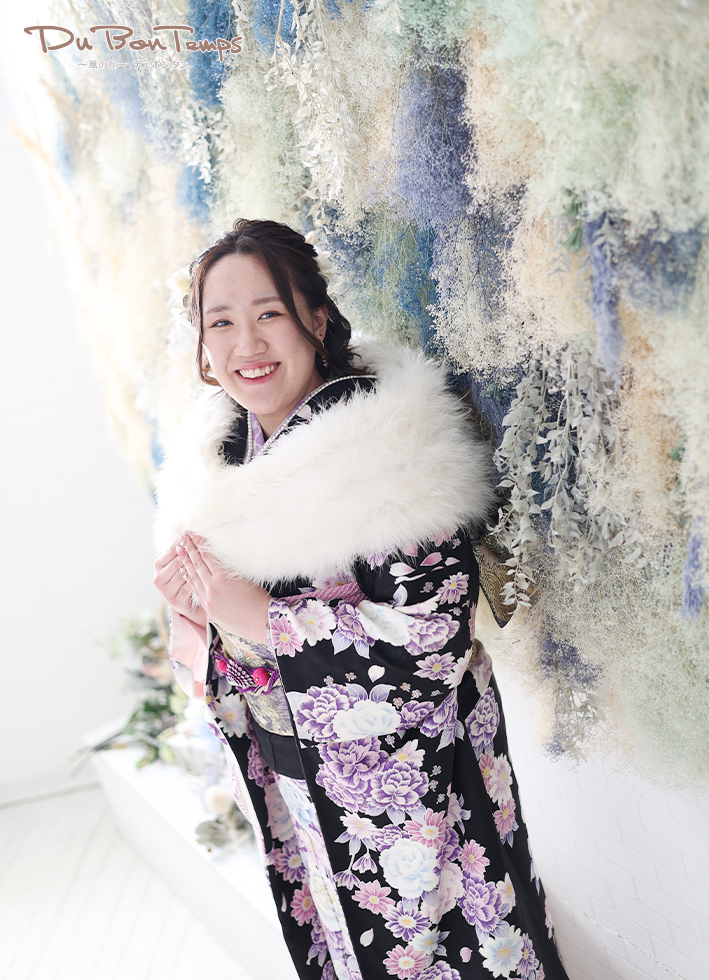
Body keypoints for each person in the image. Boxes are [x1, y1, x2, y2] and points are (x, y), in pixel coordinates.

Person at [153, 219, 569, 980]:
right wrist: (199, 615)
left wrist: (265, 622)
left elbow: (433, 645)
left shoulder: (385, 449)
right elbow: (234, 649)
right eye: (222, 323)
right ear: (202, 345)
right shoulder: (219, 462)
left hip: (425, 793)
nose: (248, 344)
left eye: (270, 313)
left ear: (317, 319)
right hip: (306, 787)